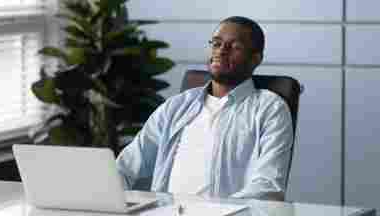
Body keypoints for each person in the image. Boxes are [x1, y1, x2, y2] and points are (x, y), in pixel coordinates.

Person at [116, 16, 293, 201]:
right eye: (216, 44)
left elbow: (268, 186)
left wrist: (218, 211)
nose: (221, 51)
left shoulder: (270, 109)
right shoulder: (176, 106)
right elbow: (124, 167)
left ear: (256, 59)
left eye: (234, 47)